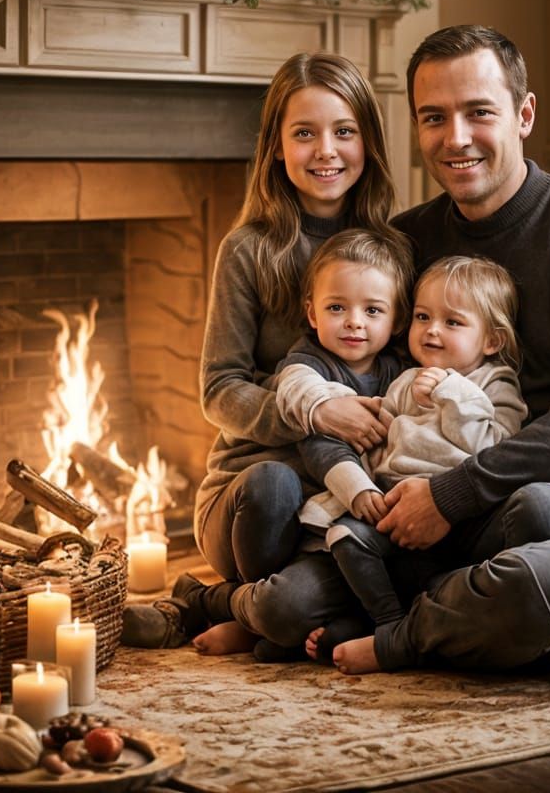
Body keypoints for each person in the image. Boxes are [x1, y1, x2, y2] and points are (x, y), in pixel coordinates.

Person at [226, 25, 550, 696]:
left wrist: (452, 494)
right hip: (415, 526)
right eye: (434, 118)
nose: (455, 137)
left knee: (533, 588)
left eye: (479, 112)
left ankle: (402, 638)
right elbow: (349, 368)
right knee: (288, 605)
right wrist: (325, 412)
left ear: (524, 114)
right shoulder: (405, 242)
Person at [121, 51, 400, 651]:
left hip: (343, 503)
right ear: (275, 146)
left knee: (298, 606)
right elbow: (219, 390)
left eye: (344, 131)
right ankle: (250, 603)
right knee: (274, 483)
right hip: (252, 502)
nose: (326, 150)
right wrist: (316, 411)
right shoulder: (248, 250)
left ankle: (222, 607)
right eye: (304, 133)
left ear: (368, 142)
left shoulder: (394, 249)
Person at [278, 253, 550, 663]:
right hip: (401, 518)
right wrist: (364, 487)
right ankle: (387, 620)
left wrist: (451, 392)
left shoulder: (496, 383)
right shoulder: (404, 381)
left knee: (541, 506)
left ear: (492, 341)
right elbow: (379, 443)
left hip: (473, 519)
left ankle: (413, 628)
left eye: (452, 322)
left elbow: (493, 445)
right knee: (345, 538)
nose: (432, 330)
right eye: (423, 317)